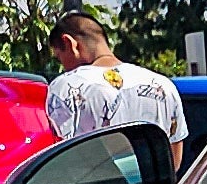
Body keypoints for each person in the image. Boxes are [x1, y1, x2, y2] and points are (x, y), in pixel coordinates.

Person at [41, 10, 185, 156]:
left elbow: (60, 158)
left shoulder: (65, 87)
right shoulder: (164, 86)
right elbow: (175, 160)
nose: (63, 66)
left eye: (60, 57)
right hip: (154, 179)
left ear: (70, 43)